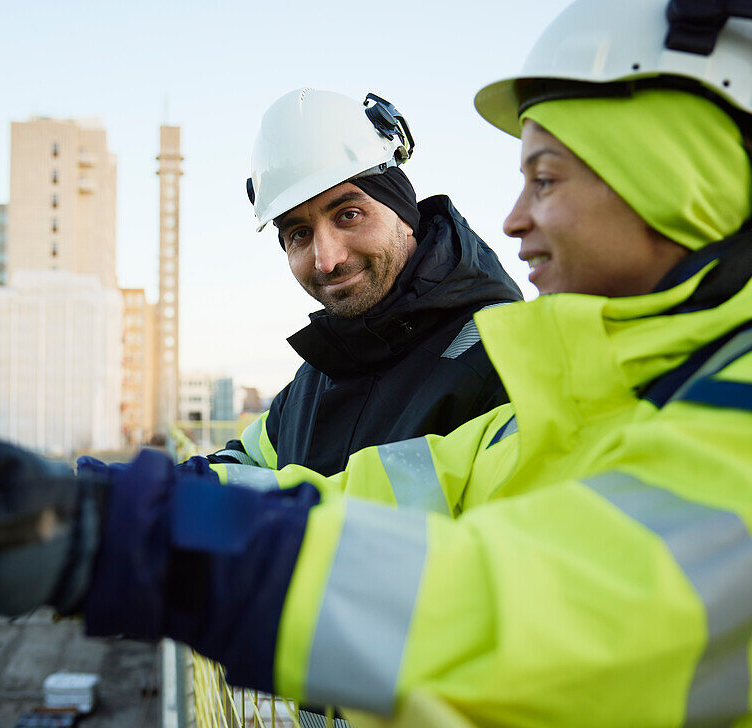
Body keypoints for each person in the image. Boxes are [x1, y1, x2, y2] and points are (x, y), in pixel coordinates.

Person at [0, 0, 752, 728]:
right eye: (294, 232)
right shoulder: (577, 378)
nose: (515, 214)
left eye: (544, 176)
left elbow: (506, 598)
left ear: (669, 177)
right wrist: (93, 506)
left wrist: (127, 543)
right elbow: (384, 486)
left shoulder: (579, 368)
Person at [205, 89, 521, 477]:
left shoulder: (504, 352)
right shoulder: (313, 381)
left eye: (349, 214)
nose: (327, 259)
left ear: (404, 214)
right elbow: (244, 465)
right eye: (300, 234)